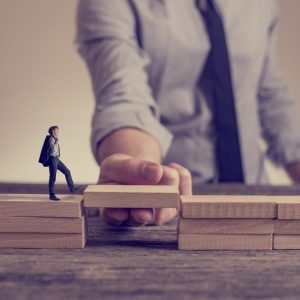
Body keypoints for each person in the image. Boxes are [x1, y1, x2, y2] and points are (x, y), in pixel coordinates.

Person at [76, 0, 300, 226]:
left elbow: (271, 98)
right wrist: (142, 177)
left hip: (256, 198)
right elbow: (124, 96)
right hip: (174, 211)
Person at [39, 126, 80, 200]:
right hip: (53, 159)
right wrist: (56, 141)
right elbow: (52, 149)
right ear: (53, 131)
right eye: (57, 130)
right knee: (52, 177)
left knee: (67, 171)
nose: (58, 131)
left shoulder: (54, 138)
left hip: (56, 159)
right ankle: (52, 195)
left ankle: (72, 188)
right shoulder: (51, 138)